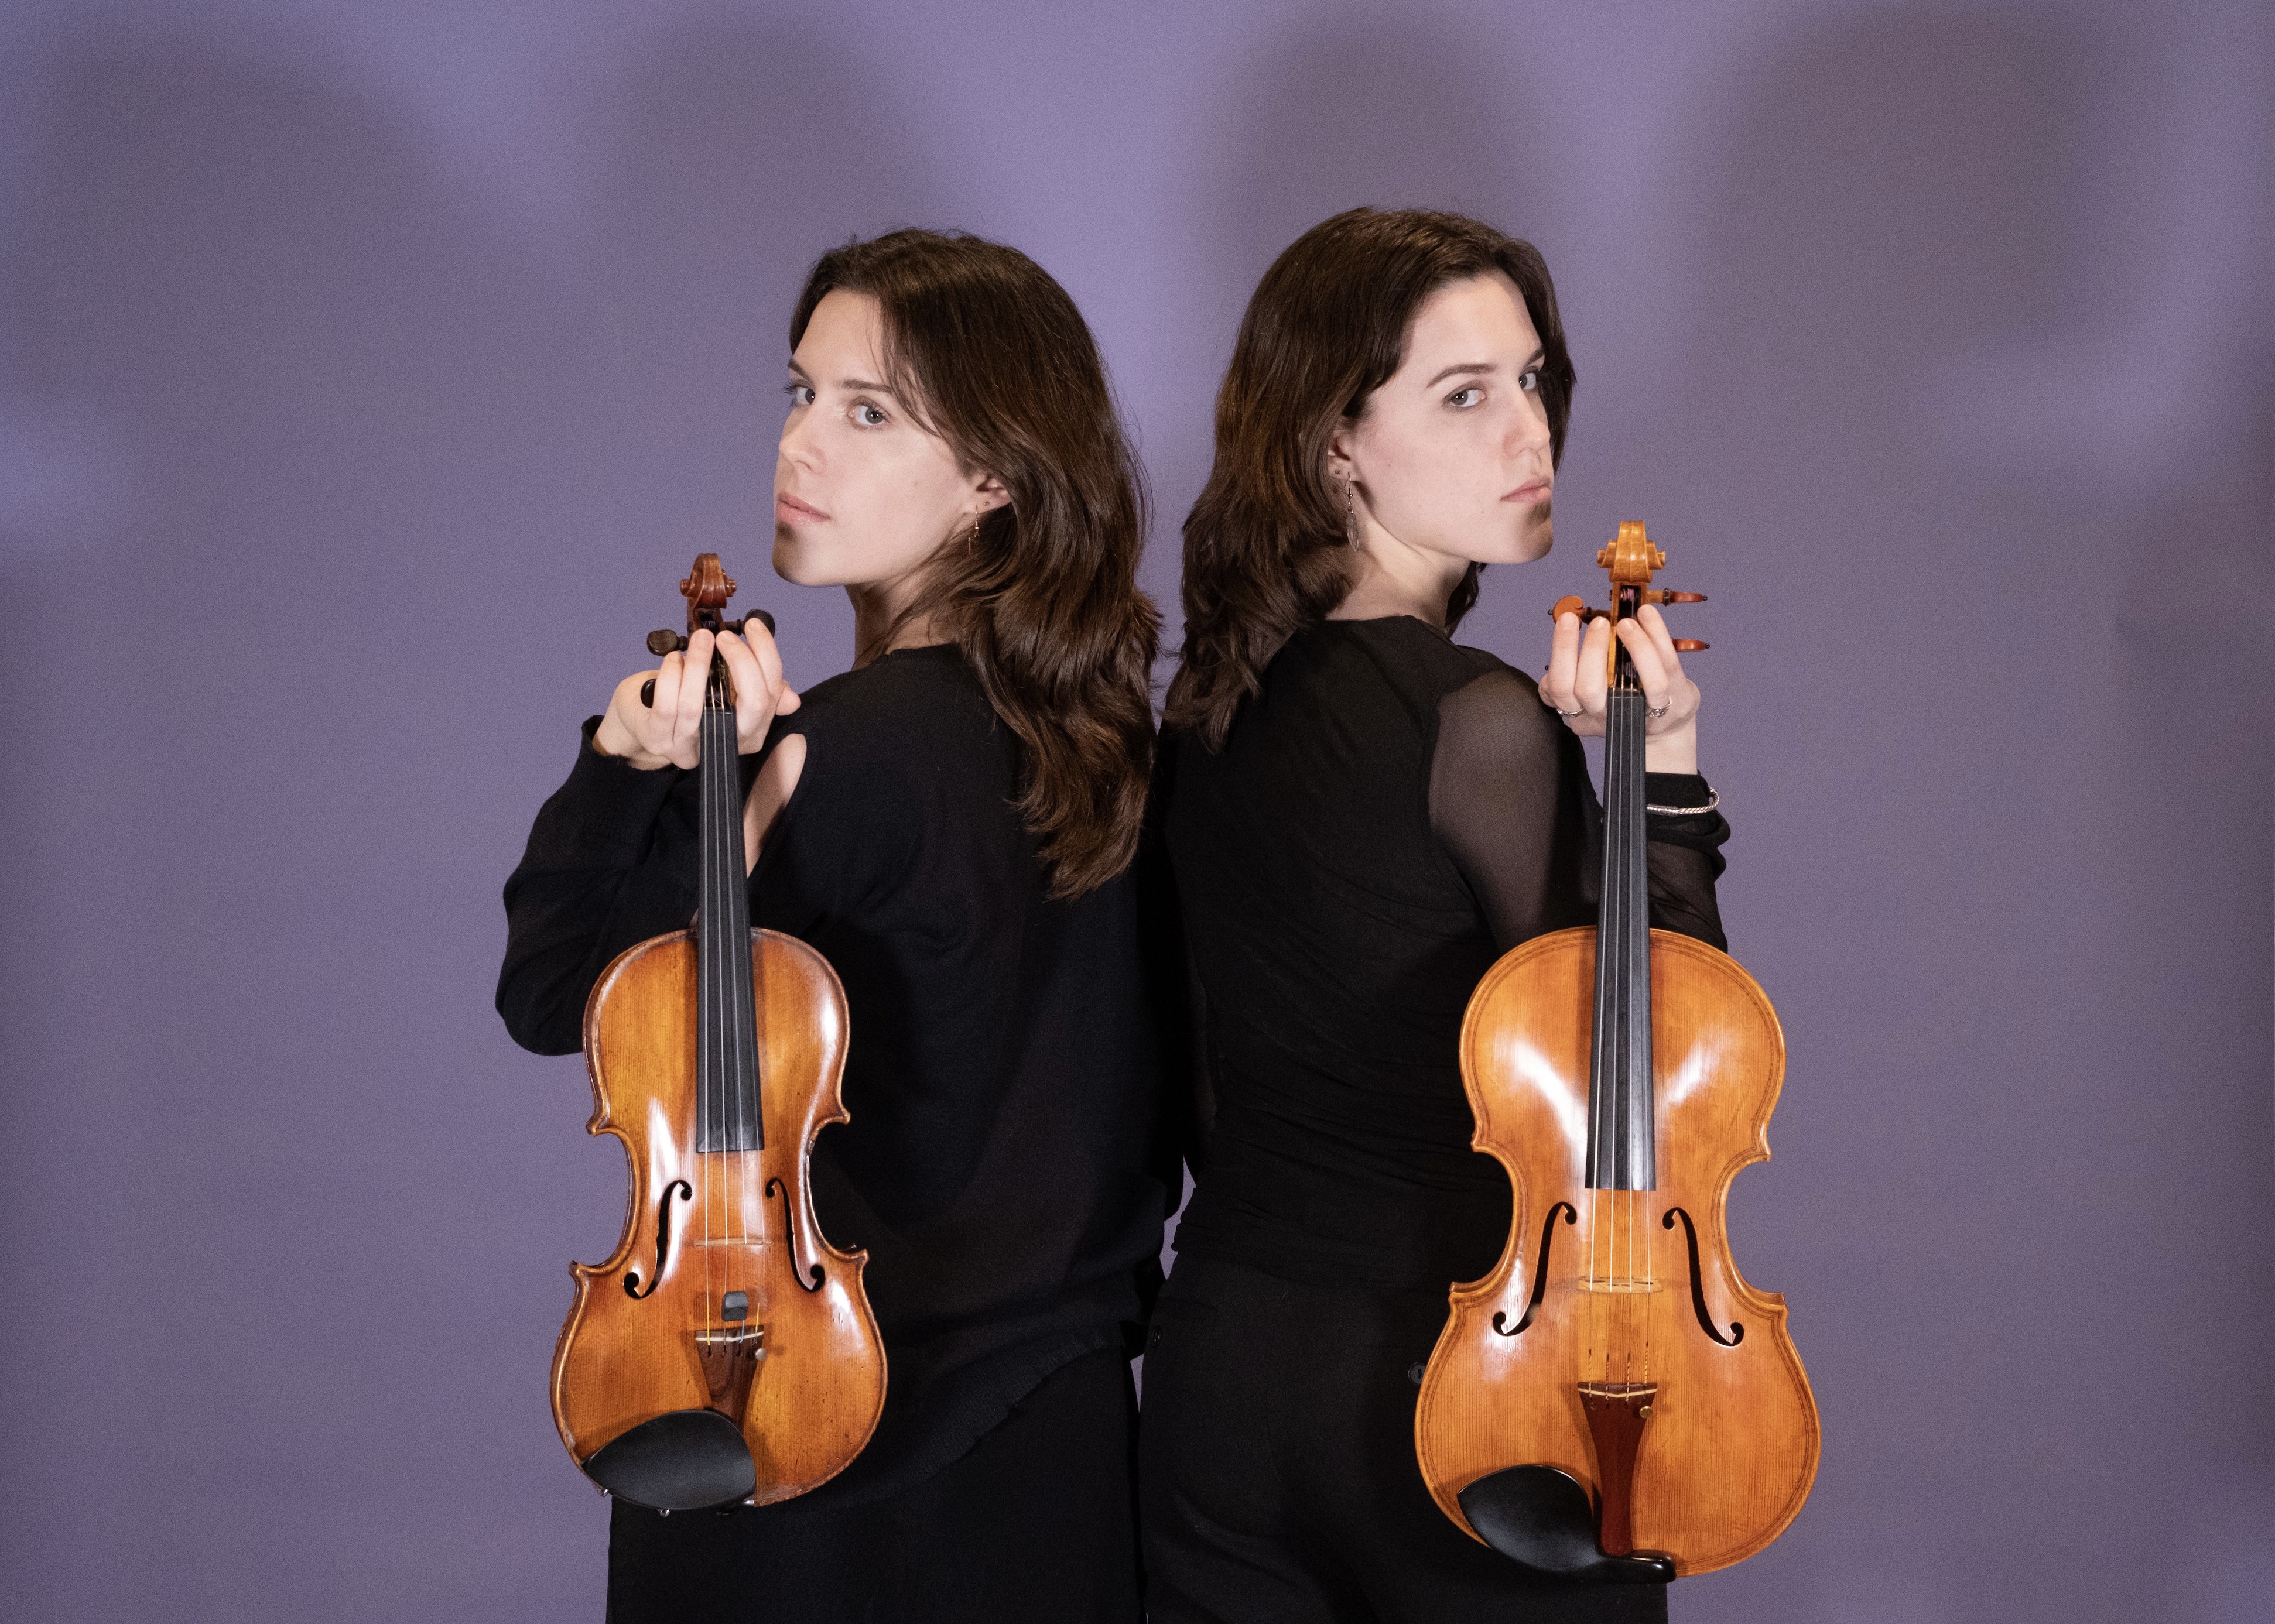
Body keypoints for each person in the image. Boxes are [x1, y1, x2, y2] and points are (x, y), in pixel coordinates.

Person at [497, 229, 1173, 1623]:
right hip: (1057, 1447)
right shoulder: (1111, 746)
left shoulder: (838, 754)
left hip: (803, 1423)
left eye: (867, 412)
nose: (802, 444)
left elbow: (562, 994)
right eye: (799, 393)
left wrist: (627, 765)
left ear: (992, 475)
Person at [1140, 207, 1730, 1623]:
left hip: (1221, 1379)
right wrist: (1661, 781)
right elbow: (1647, 1090)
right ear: (1331, 441)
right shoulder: (1478, 724)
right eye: (1463, 395)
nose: (1528, 434)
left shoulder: (1198, 716)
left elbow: (1192, 1089)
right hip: (1467, 1394)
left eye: (1532, 382)